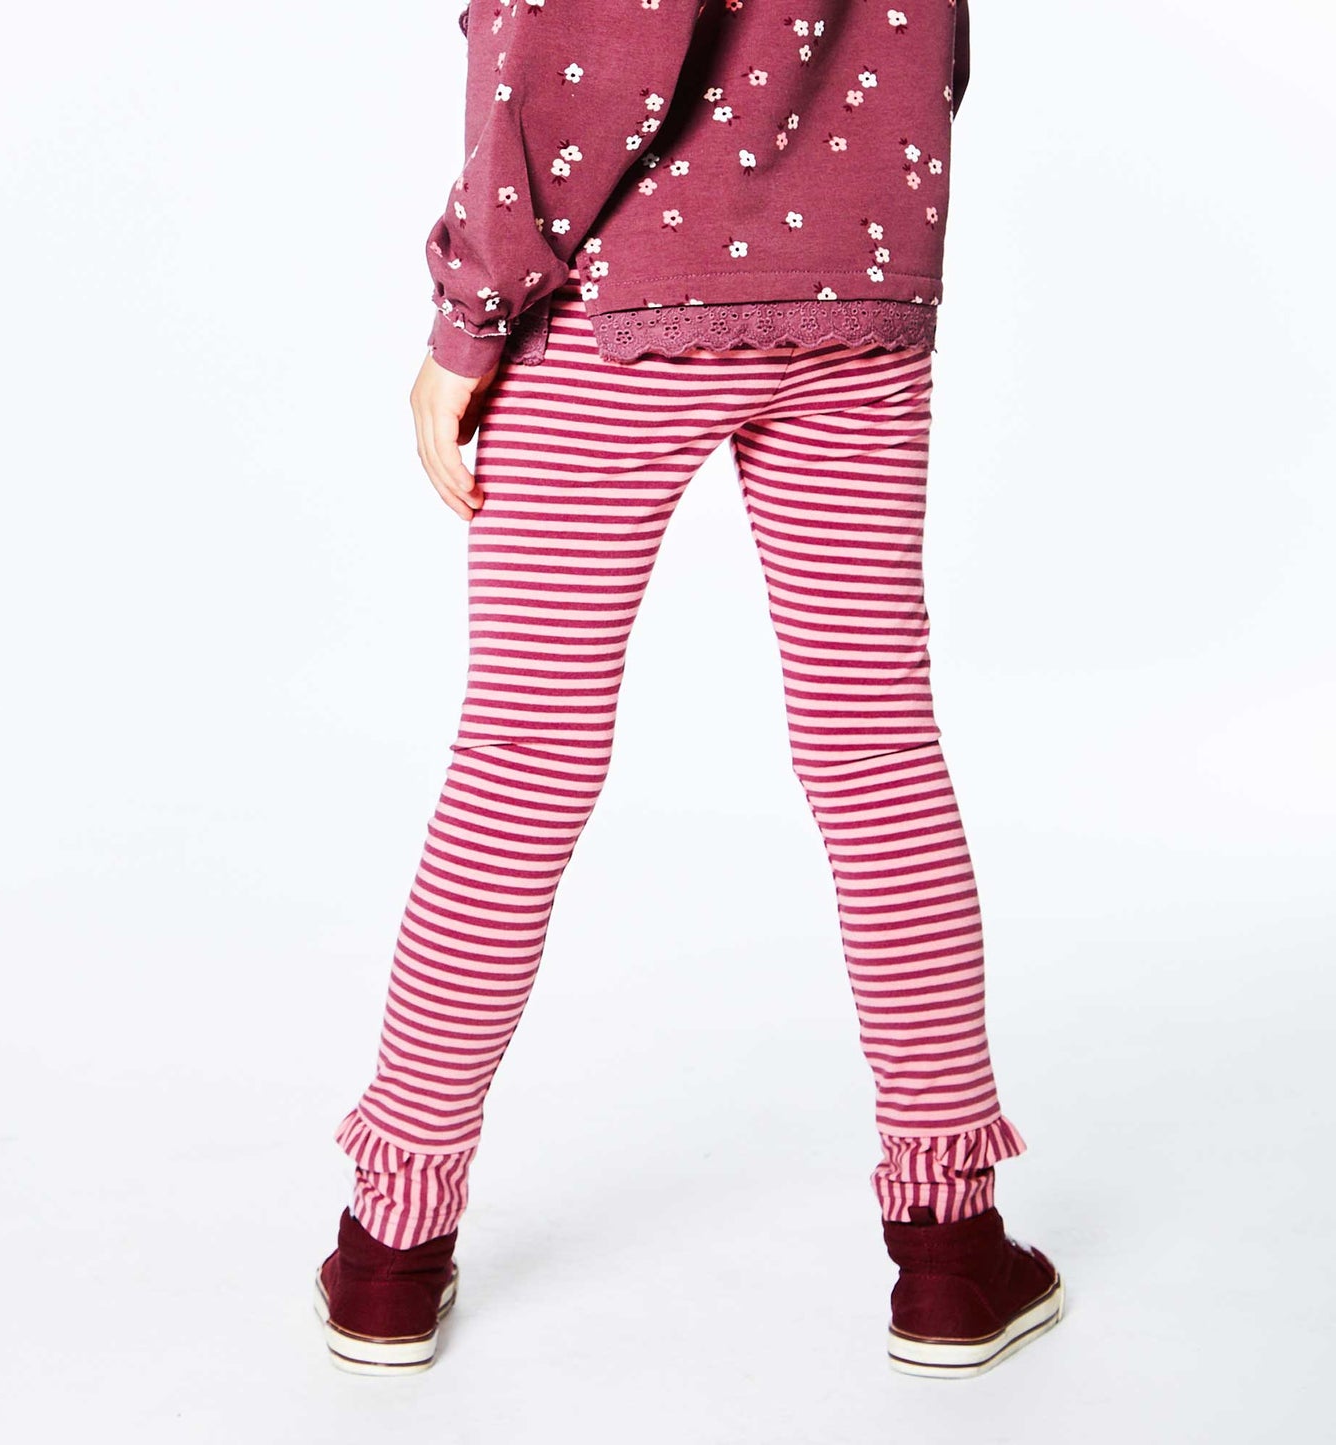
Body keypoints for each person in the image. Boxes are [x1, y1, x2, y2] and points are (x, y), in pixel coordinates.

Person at [312, 0, 1063, 1379]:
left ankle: (391, 1249)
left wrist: (469, 316)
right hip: (858, 287)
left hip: (614, 300)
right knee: (877, 751)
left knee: (522, 761)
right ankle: (952, 1247)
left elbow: (573, 46)